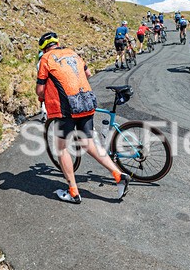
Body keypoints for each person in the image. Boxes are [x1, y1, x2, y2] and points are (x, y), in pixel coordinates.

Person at [35, 32, 130, 203]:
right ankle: (118, 174)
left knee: (61, 149)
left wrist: (46, 94)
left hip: (66, 107)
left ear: (43, 48)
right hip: (86, 101)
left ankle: (73, 192)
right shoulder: (72, 53)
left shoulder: (45, 59)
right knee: (88, 143)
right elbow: (88, 73)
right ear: (57, 43)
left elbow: (40, 90)